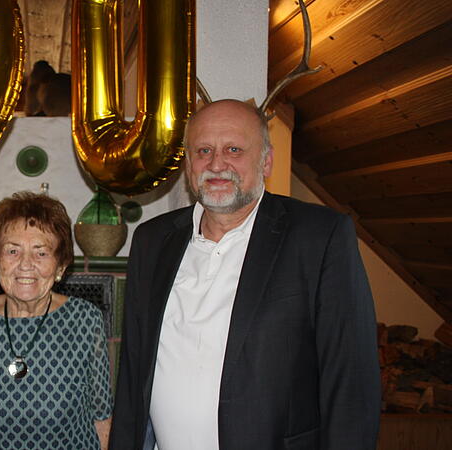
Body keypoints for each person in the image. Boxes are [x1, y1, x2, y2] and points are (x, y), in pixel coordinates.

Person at [109, 99, 381, 450]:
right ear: (188, 164)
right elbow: (133, 371)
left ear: (266, 161)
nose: (216, 164)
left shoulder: (319, 237)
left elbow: (351, 383)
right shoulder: (152, 240)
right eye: (203, 151)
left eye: (234, 149)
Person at [0, 192, 113, 450]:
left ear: (60, 267)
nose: (25, 264)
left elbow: (102, 416)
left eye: (41, 253)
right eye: (12, 251)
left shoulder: (85, 320)